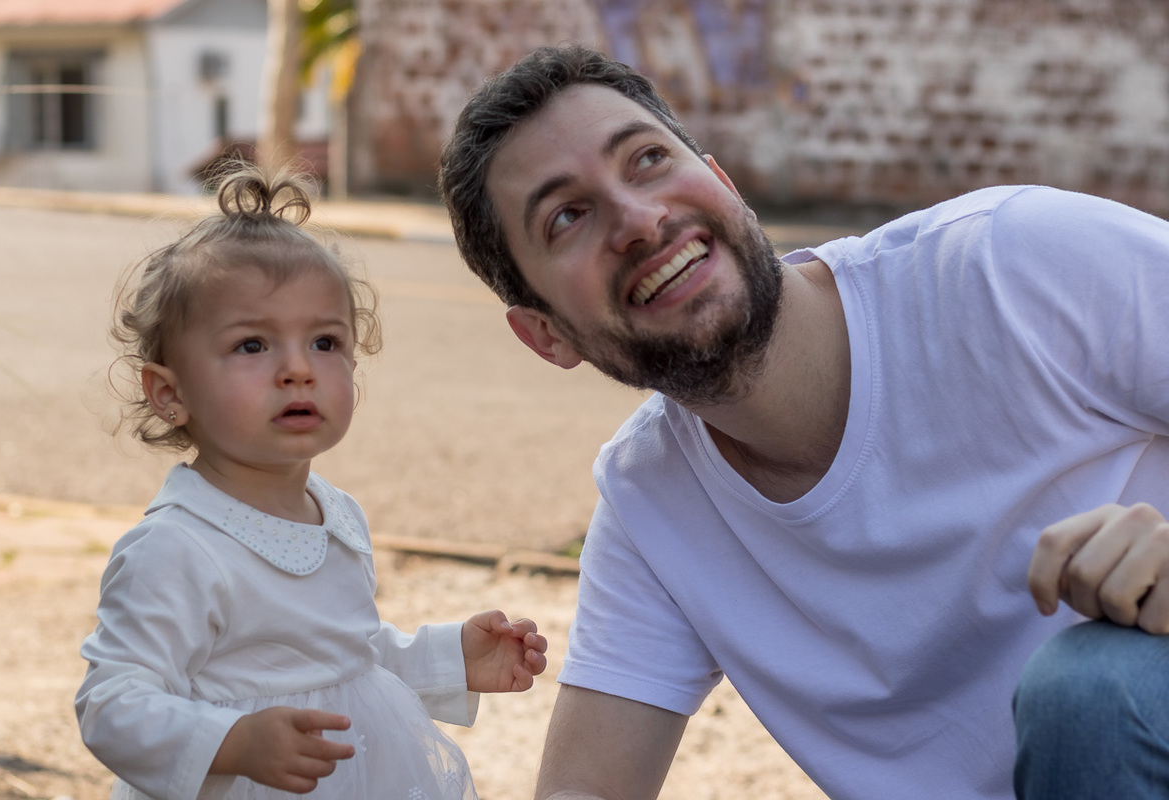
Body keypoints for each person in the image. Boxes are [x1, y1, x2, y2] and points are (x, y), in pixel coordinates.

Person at [437, 44, 1169, 800]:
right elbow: (585, 789)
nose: (637, 219)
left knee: (1091, 692)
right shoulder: (653, 503)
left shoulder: (1008, 264)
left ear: (720, 181)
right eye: (567, 217)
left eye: (648, 159)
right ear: (545, 335)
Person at [76, 166, 548, 800]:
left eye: (325, 341)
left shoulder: (335, 512)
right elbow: (111, 702)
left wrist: (450, 659)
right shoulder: (177, 549)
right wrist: (230, 740)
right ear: (170, 392)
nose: (298, 369)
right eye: (252, 346)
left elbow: (346, 659)